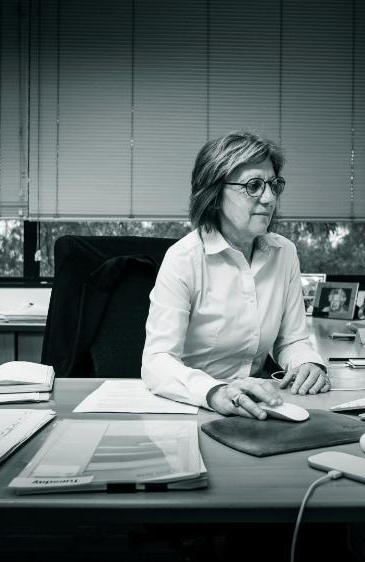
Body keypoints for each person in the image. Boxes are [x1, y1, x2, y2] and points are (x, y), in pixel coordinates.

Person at [141, 131, 330, 420]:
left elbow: (291, 340)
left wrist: (307, 365)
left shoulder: (285, 253)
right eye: (253, 186)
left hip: (261, 405)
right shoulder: (183, 259)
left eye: (273, 185)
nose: (269, 198)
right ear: (214, 195)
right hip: (194, 407)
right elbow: (157, 361)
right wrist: (214, 391)